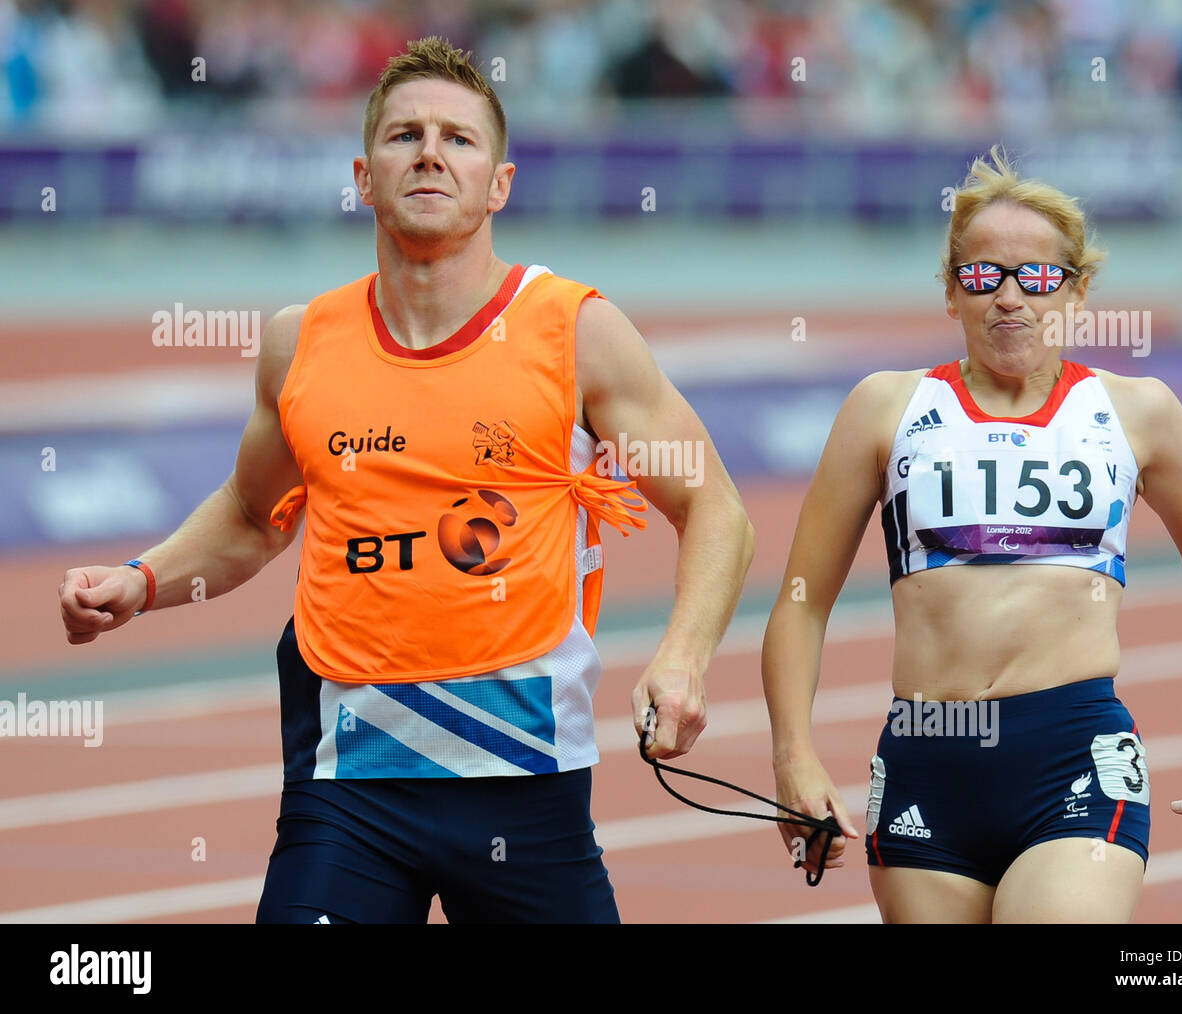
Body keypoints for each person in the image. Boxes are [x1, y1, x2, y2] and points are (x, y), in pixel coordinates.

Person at [57, 36, 754, 924]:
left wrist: (683, 660)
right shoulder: (298, 341)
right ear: (363, 175)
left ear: (500, 183)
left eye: (459, 139)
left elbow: (715, 508)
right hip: (348, 789)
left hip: (526, 788)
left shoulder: (575, 332)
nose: (430, 151)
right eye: (405, 135)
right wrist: (142, 579)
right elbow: (253, 511)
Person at [761, 146, 1182, 923]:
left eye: (1036, 277)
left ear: (1075, 291)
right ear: (951, 290)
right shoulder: (883, 410)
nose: (1011, 299)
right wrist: (793, 757)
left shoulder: (1139, 413)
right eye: (984, 276)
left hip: (1072, 757)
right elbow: (802, 600)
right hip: (925, 762)